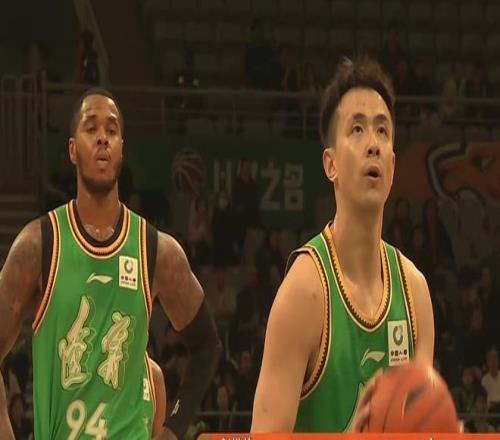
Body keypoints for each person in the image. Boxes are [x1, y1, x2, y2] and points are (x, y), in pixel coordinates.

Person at [0, 88, 221, 440]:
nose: (103, 137)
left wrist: (174, 428)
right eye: (91, 128)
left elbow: (207, 345)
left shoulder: (156, 251)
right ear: (73, 149)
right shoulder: (38, 245)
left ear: (121, 149)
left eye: (112, 130)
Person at [252, 56, 435, 432]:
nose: (373, 145)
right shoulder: (304, 293)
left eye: (382, 131)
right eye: (357, 129)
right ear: (330, 164)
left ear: (393, 166)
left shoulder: (415, 294)